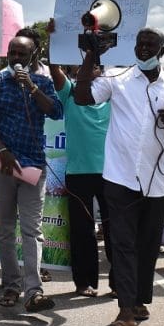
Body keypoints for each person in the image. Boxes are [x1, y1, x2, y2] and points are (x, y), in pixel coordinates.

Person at [74, 28, 164, 326]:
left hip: (156, 183)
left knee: (146, 247)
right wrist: (92, 54)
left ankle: (139, 300)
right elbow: (82, 97)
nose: (143, 49)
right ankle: (125, 310)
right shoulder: (118, 78)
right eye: (140, 44)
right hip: (119, 178)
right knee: (123, 244)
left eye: (150, 45)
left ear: (162, 50)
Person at [0, 33, 63, 312]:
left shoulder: (43, 82)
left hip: (33, 166)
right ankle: (11, 285)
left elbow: (56, 112)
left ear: (33, 56)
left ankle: (33, 291)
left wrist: (33, 89)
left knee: (32, 230)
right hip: (3, 164)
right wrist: (2, 151)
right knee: (4, 229)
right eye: (12, 53)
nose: (16, 58)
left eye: (21, 54)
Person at [48, 55, 112, 298]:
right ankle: (84, 282)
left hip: (112, 174)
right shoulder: (70, 93)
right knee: (82, 231)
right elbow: (54, 69)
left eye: (96, 64)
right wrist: (56, 40)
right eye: (84, 63)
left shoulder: (113, 96)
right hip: (77, 173)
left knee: (114, 229)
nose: (90, 68)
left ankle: (119, 284)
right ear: (75, 68)